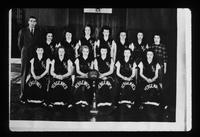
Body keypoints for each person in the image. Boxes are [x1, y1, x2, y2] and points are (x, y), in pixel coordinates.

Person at [17, 16, 42, 103]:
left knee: (33, 74)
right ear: (28, 22)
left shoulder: (38, 32)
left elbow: (39, 44)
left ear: (36, 23)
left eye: (34, 21)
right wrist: (25, 53)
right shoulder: (23, 31)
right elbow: (20, 44)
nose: (32, 23)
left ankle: (32, 95)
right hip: (26, 56)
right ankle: (22, 95)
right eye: (31, 21)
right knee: (24, 74)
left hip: (34, 56)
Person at [138, 49, 162, 121]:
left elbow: (157, 75)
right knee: (140, 88)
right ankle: (141, 104)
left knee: (157, 89)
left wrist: (152, 80)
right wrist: (147, 79)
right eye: (148, 54)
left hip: (153, 79)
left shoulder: (156, 63)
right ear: (146, 55)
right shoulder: (142, 62)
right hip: (144, 79)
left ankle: (160, 104)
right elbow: (141, 74)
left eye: (151, 54)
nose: (149, 56)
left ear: (153, 55)